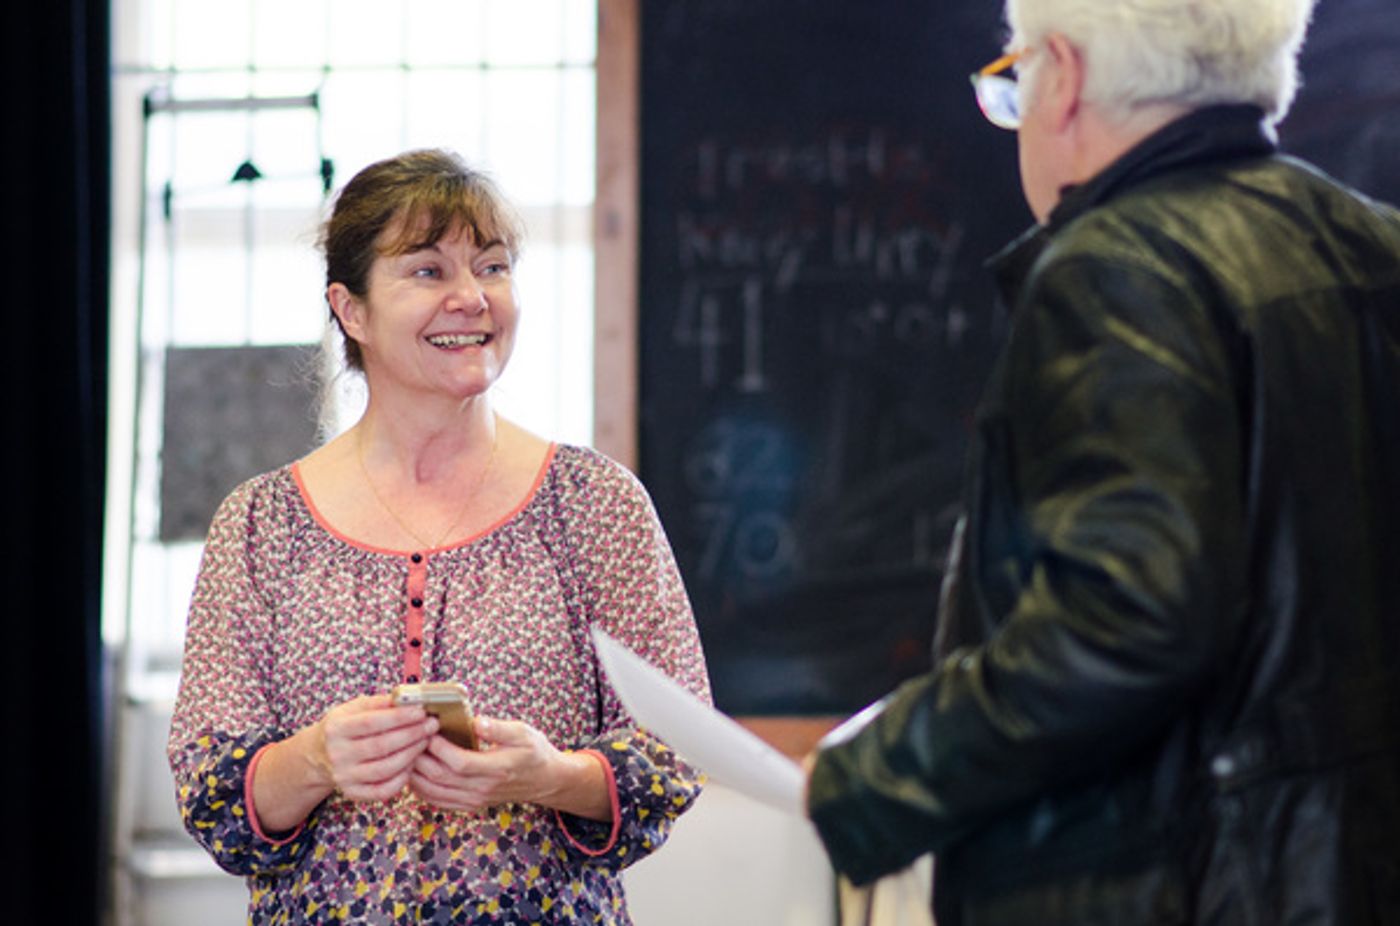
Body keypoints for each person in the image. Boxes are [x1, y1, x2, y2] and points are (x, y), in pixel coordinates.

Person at [805, 1, 1400, 923]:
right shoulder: (1374, 248)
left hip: (1181, 888)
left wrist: (874, 774)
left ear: (1066, 76)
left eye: (1016, 82)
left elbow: (1127, 617)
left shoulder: (1118, 268)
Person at [168, 148, 712, 925]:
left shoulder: (595, 504)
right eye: (427, 272)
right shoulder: (261, 525)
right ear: (351, 310)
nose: (471, 298)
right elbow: (211, 787)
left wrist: (550, 776)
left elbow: (675, 750)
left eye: (492, 267)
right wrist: (317, 759)